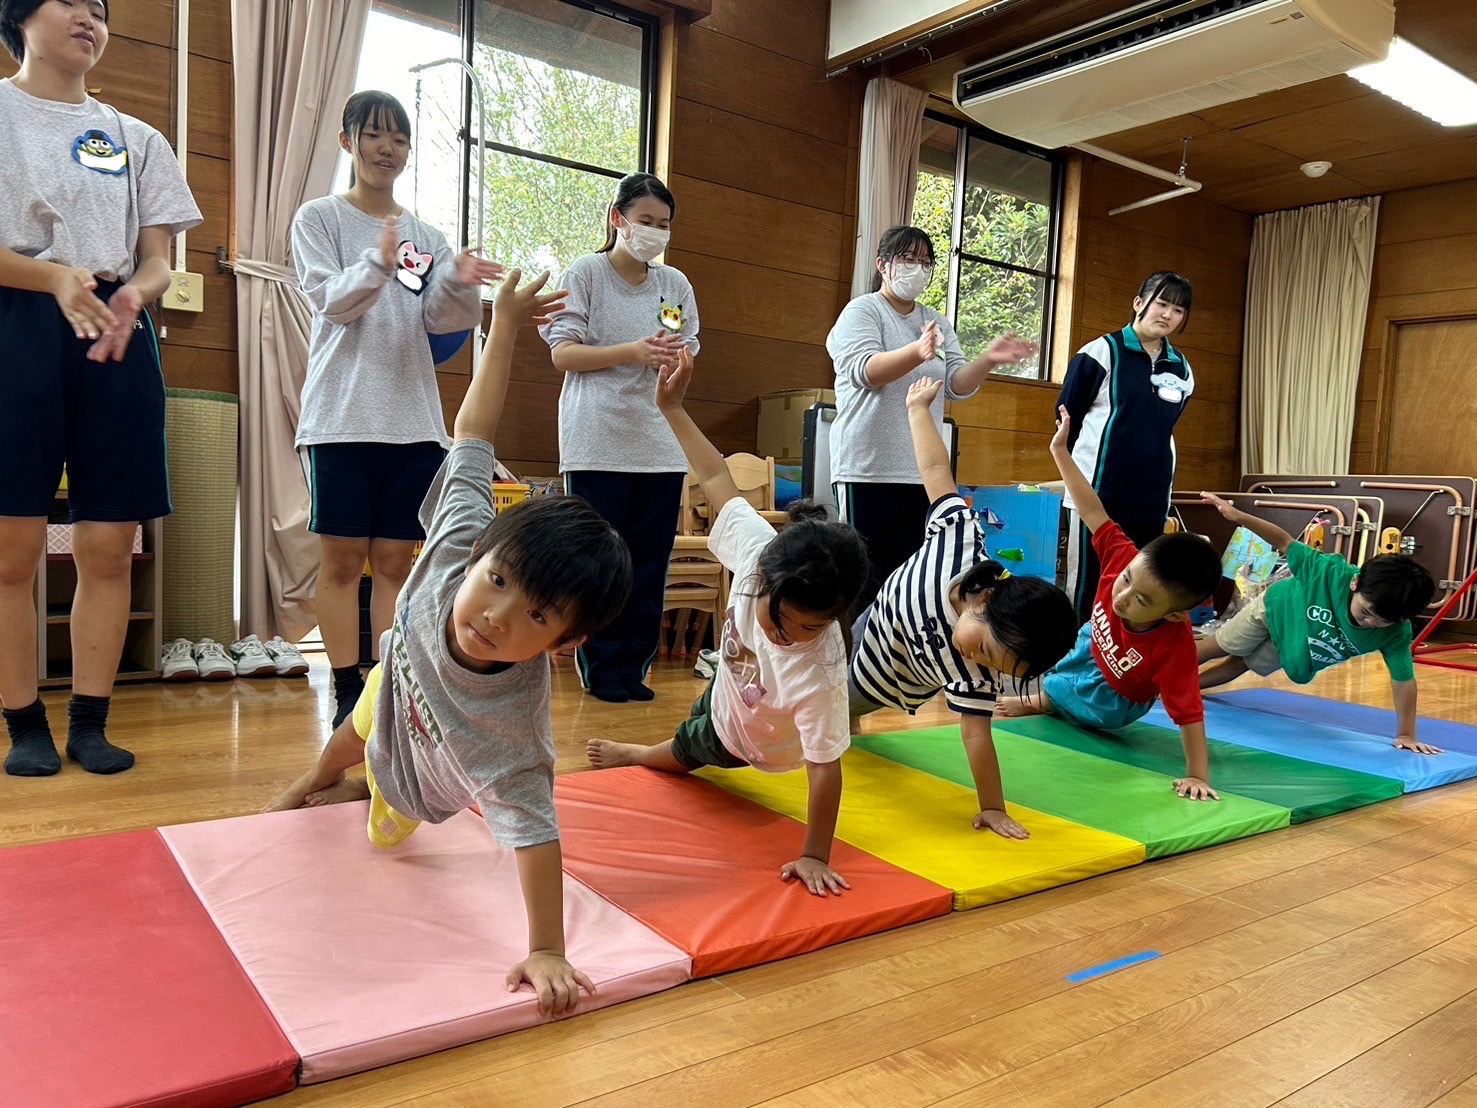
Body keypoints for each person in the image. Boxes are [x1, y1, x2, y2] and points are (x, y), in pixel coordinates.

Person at [264, 269, 634, 1017]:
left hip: (431, 762)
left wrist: (547, 947)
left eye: (536, 617)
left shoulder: (513, 735)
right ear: (480, 554)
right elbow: (473, 431)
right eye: (497, 581)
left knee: (380, 812)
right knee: (350, 733)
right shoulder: (462, 535)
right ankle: (312, 781)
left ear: (563, 644)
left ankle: (357, 790)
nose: (496, 615)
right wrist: (504, 325)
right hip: (398, 674)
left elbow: (536, 836)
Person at [0, 0, 201, 777]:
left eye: (102, 9)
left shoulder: (137, 137)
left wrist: (137, 294)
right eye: (72, 1)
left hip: (116, 331)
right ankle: (23, 722)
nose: (91, 17)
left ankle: (91, 720)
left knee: (110, 544)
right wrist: (53, 277)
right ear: (20, 15)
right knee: (12, 548)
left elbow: (157, 260)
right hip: (17, 321)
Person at [587, 353, 869, 897]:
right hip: (731, 682)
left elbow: (825, 768)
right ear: (764, 578)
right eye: (781, 620)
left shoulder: (820, 670)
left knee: (689, 746)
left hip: (752, 740)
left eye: (810, 628)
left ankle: (641, 753)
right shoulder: (760, 552)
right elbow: (716, 475)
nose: (790, 636)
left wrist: (814, 854)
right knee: (704, 707)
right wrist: (672, 407)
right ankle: (674, 734)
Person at [292, 90, 503, 729]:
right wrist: (377, 263)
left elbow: (441, 325)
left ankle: (383, 688)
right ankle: (344, 692)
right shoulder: (319, 217)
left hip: (413, 423)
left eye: (400, 139)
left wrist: (459, 282)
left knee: (392, 563)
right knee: (340, 562)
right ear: (348, 140)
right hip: (341, 418)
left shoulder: (428, 236)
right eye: (375, 135)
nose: (388, 148)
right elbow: (331, 302)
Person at [849, 378, 1079, 839]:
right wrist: (918, 409)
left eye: (994, 667)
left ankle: (844, 724)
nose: (978, 661)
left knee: (833, 713)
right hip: (868, 623)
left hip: (882, 679)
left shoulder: (975, 675)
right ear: (986, 599)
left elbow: (976, 735)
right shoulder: (959, 538)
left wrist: (992, 807)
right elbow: (936, 469)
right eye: (986, 651)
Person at [995, 408, 1223, 801]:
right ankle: (1051, 696)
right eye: (1127, 580)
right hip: (1097, 642)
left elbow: (1189, 714)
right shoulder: (1123, 556)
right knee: (1071, 645)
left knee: (1072, 695)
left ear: (1172, 614)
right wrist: (1060, 452)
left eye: (1141, 600)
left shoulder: (1174, 648)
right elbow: (1091, 509)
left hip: (1117, 694)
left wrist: (1196, 775)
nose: (1122, 596)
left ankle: (1047, 701)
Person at [540, 172, 698, 704]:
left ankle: (635, 666)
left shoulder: (674, 284)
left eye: (664, 224)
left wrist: (674, 359)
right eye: (645, 221)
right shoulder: (586, 273)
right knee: (597, 564)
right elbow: (563, 354)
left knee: (649, 566)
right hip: (596, 442)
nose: (655, 232)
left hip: (659, 446)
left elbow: (686, 345)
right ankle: (601, 667)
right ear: (618, 219)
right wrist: (632, 351)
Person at [826, 225, 1036, 616]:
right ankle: (856, 649)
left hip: (921, 471)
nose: (917, 269)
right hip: (868, 467)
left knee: (913, 577)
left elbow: (955, 384)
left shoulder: (936, 320)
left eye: (925, 262)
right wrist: (917, 351)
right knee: (865, 577)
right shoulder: (863, 311)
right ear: (882, 264)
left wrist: (988, 359)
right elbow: (865, 371)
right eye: (908, 259)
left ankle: (899, 650)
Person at [1196, 492, 1440, 754]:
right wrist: (1237, 516)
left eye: (1383, 621)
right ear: (1355, 583)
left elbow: (1403, 679)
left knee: (1240, 664)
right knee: (1221, 646)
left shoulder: (1395, 633)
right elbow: (1284, 541)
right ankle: (1167, 672)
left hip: (1295, 640)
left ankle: (1185, 689)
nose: (1370, 623)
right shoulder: (1328, 572)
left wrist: (1406, 734)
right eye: (1366, 612)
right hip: (1275, 608)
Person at [1057, 271, 1195, 623]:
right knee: (1088, 589)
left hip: (1151, 500)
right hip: (1097, 497)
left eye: (1178, 310)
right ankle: (1078, 654)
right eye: (1161, 304)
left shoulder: (1182, 369)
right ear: (1138, 303)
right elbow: (1067, 420)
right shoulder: (1100, 352)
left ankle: (1121, 656)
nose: (1168, 315)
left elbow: (1165, 425)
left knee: (1139, 591)